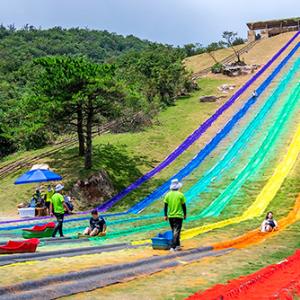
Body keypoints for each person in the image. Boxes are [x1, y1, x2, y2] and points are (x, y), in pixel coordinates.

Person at [164, 179, 187, 251]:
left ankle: (178, 245)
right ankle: (172, 246)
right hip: (178, 215)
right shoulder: (180, 195)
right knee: (176, 231)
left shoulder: (167, 195)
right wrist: (185, 214)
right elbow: (184, 205)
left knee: (174, 230)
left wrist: (165, 215)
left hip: (171, 215)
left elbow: (165, 206)